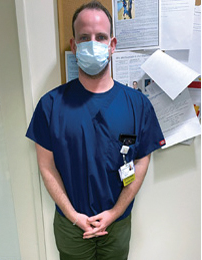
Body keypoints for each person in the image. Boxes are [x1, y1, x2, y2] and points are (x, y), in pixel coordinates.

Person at [26, 1, 165, 259]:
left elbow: (142, 160)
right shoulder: (50, 105)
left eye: (100, 37)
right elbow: (46, 167)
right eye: (84, 38)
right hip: (71, 227)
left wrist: (114, 213)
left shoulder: (137, 105)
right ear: (74, 45)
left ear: (112, 45)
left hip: (118, 223)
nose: (93, 44)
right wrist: (73, 216)